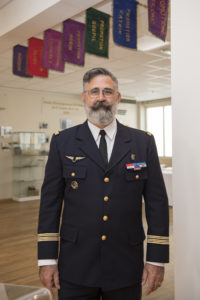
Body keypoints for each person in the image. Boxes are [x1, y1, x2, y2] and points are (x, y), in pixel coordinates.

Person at [38, 68, 169, 300]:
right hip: (75, 264)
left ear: (117, 97)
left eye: (108, 92)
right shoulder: (63, 142)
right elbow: (50, 204)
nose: (101, 98)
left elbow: (157, 203)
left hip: (126, 264)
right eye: (94, 92)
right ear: (84, 97)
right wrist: (47, 260)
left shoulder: (142, 142)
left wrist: (156, 258)